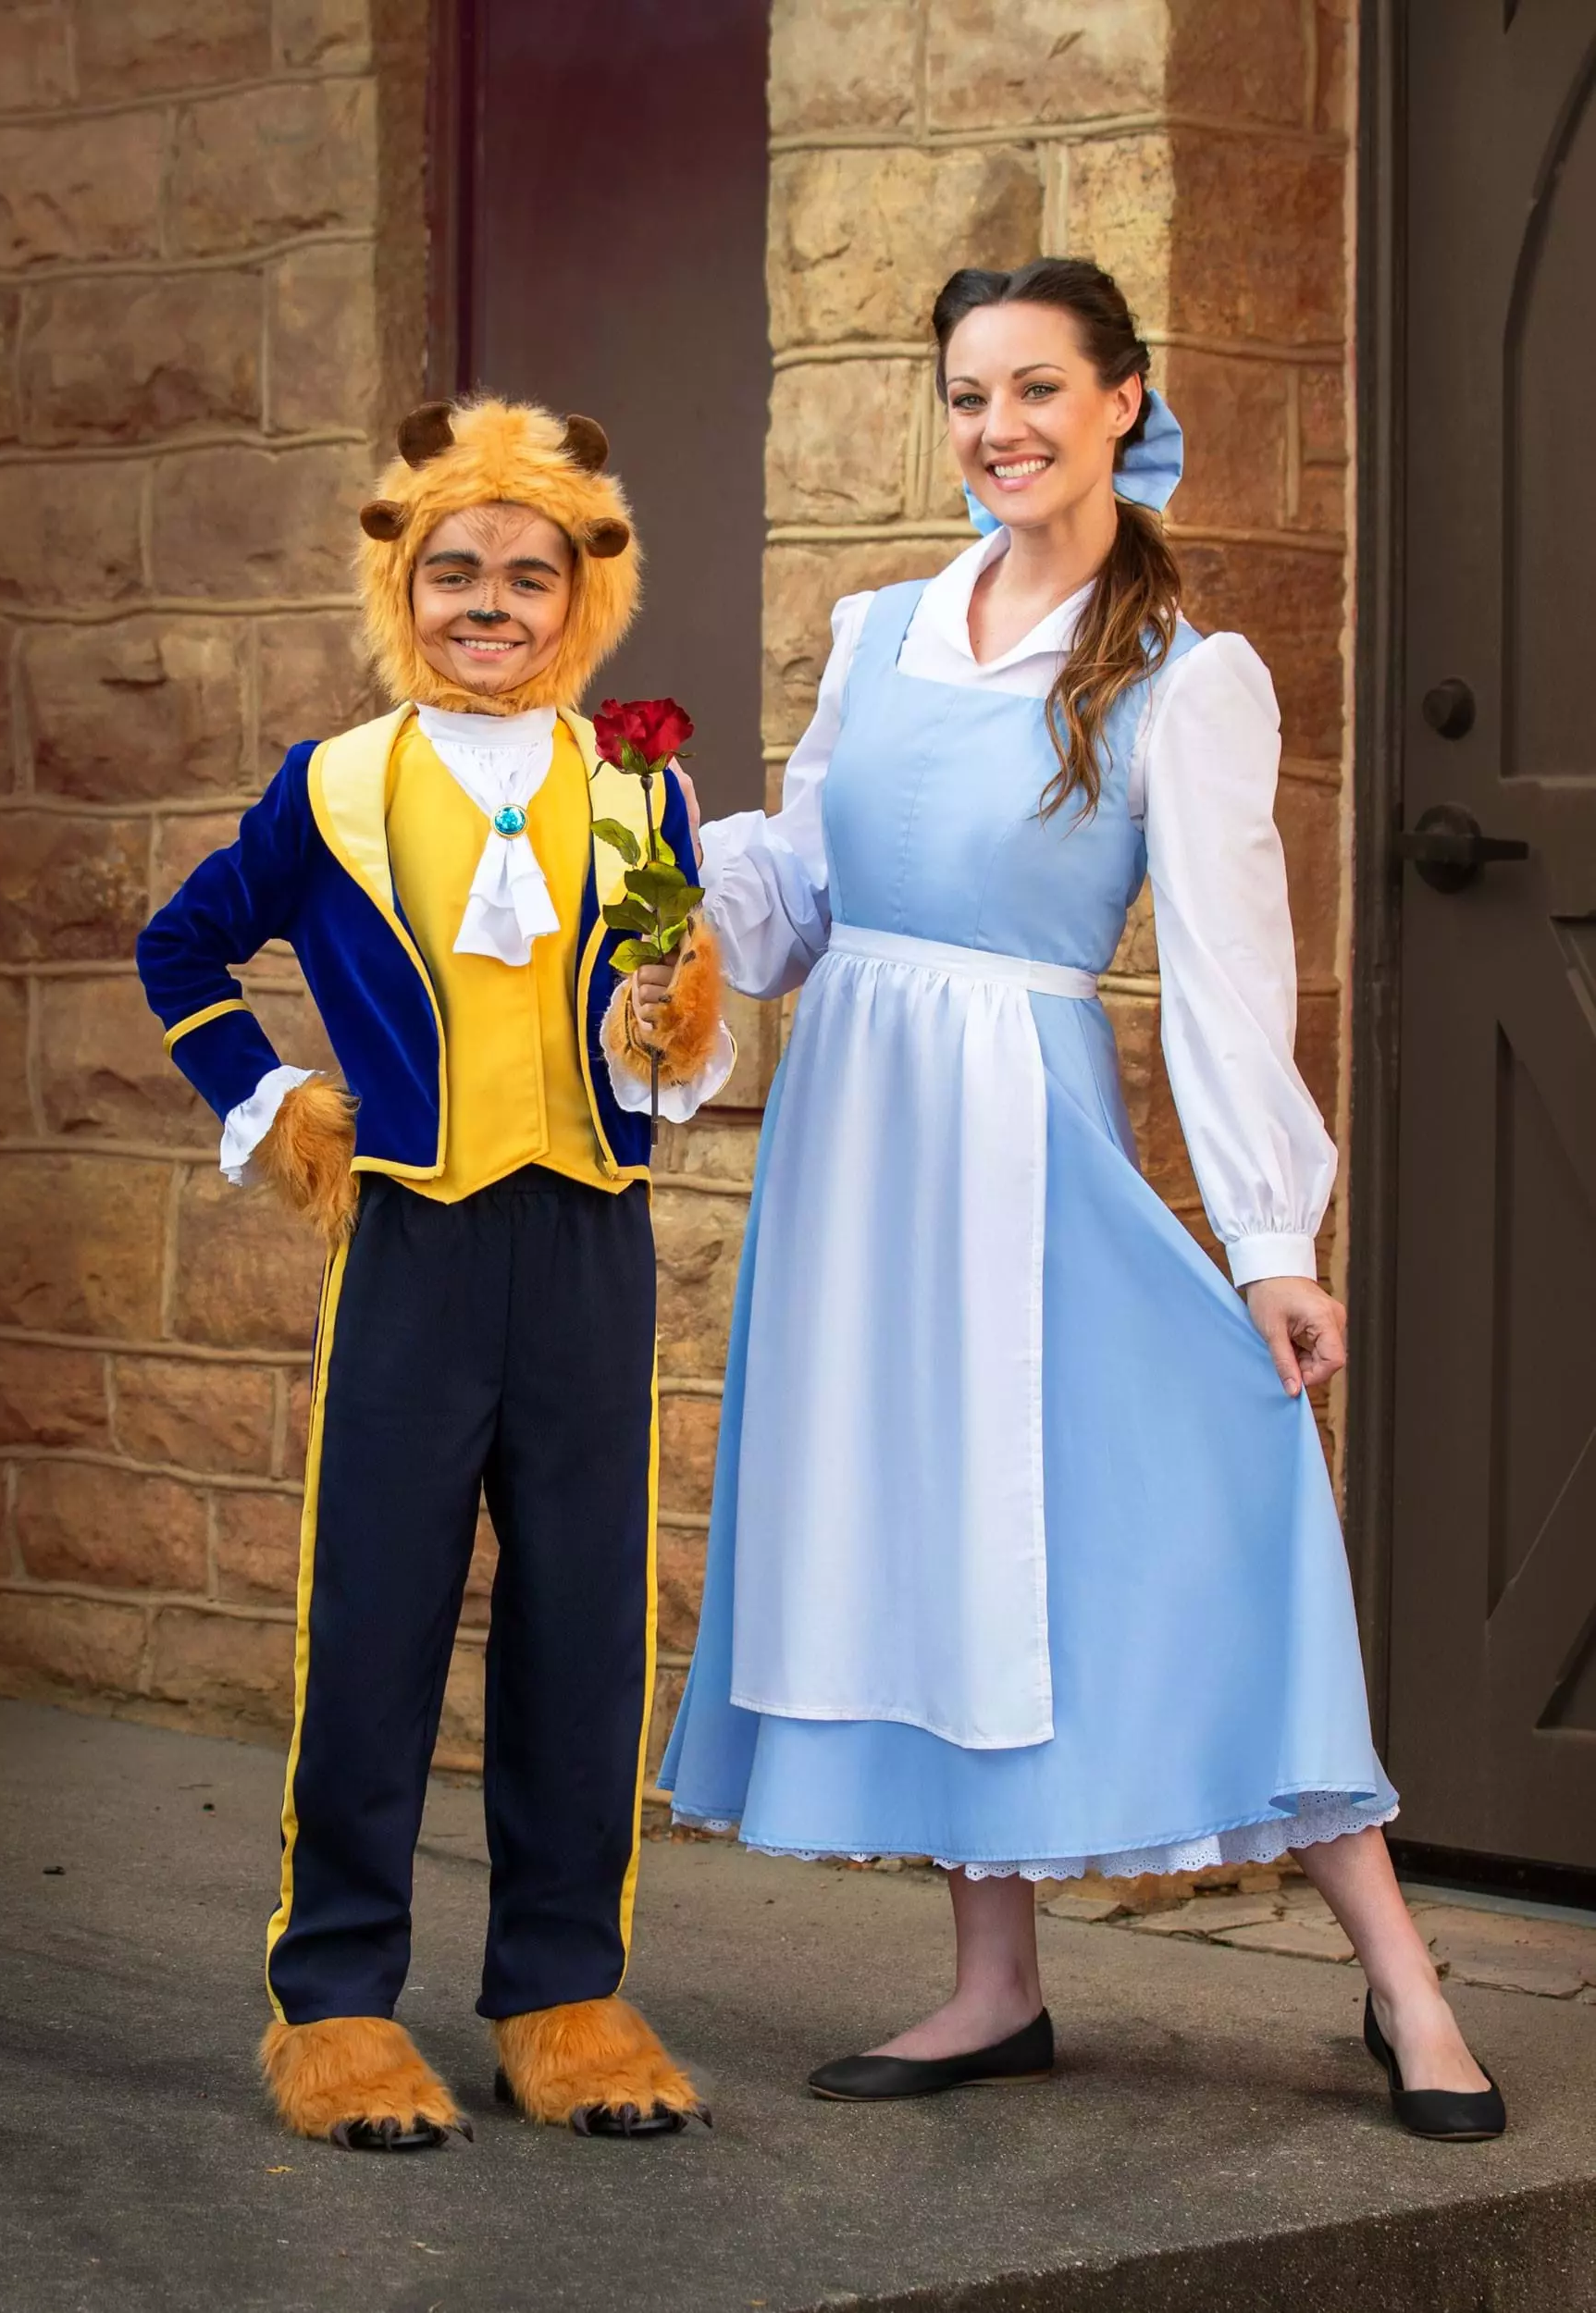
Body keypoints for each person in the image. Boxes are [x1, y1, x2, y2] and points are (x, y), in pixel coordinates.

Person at [650, 260, 1504, 2141]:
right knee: (942, 1533)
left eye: (1037, 387)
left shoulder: (1185, 676)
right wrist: (669, 885)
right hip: (853, 1149)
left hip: (1019, 1138)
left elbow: (1224, 973)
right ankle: (993, 1985)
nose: (998, 428)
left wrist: (1268, 1242)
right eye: (968, 395)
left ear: (1123, 400)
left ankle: (1403, 1982)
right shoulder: (879, 631)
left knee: (1217, 1492)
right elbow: (801, 898)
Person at [137, 396, 731, 2150]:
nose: (489, 601)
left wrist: (668, 1016)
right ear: (400, 584)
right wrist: (272, 1100)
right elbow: (182, 946)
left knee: (586, 1626)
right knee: (374, 1618)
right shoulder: (333, 784)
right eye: (454, 569)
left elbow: (671, 1031)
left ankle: (564, 1996)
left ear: (584, 591)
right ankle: (334, 2008)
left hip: (587, 1244)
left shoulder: (641, 788)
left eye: (527, 575)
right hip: (410, 1242)